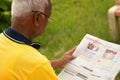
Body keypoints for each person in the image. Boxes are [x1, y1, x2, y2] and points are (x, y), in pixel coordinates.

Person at [0, 0, 76, 80]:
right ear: (37, 18)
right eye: (48, 17)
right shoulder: (37, 64)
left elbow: (24, 68)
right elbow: (33, 67)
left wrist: (57, 63)